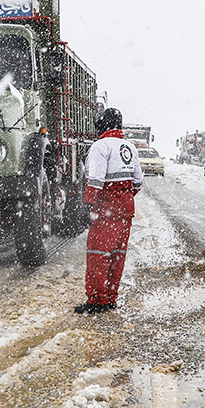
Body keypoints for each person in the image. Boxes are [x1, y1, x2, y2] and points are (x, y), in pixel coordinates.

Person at [76, 107, 144, 314]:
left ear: (102, 125)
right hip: (126, 211)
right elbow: (138, 181)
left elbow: (95, 180)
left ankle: (97, 300)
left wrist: (88, 205)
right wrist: (124, 198)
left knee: (98, 254)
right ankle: (111, 297)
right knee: (117, 255)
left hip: (106, 210)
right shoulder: (129, 148)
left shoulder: (100, 146)